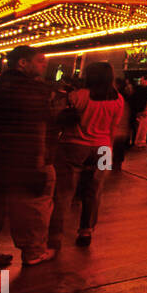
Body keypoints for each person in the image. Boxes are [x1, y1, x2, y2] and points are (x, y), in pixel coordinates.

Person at [0, 45, 59, 268]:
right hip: (24, 159)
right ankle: (33, 252)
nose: (44, 65)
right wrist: (42, 160)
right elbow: (43, 129)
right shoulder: (38, 92)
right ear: (22, 63)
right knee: (32, 210)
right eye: (39, 60)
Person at [50, 61, 125, 247]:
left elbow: (55, 115)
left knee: (64, 193)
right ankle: (86, 230)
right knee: (95, 191)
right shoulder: (119, 100)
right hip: (104, 148)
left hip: (74, 145)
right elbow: (114, 127)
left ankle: (55, 236)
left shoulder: (78, 96)